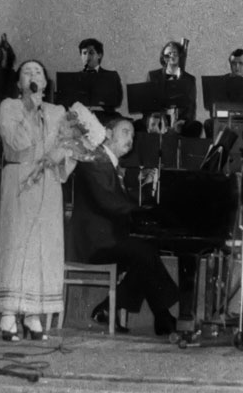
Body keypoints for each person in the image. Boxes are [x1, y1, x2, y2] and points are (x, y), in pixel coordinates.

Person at [66, 117, 179, 335]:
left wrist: (147, 201)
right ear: (108, 133)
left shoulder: (111, 164)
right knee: (144, 253)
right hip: (93, 243)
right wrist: (144, 211)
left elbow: (119, 202)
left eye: (133, 135)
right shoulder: (94, 160)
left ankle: (116, 309)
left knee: (145, 255)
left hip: (109, 239)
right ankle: (160, 316)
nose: (131, 139)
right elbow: (108, 202)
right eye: (125, 132)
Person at [0, 60, 75, 341]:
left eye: (38, 71)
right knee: (17, 243)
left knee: (43, 246)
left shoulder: (57, 111)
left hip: (48, 181)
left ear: (46, 81)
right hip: (20, 178)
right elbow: (16, 142)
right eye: (26, 72)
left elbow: (70, 144)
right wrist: (29, 108)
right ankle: (8, 313)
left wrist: (60, 154)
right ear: (19, 83)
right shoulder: (9, 107)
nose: (33, 75)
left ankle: (33, 314)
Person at [147, 41, 202, 138]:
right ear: (163, 58)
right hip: (158, 118)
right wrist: (156, 118)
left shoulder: (189, 79)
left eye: (175, 53)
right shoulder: (153, 76)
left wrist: (182, 121)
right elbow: (148, 103)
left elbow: (191, 107)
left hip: (179, 121)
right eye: (168, 53)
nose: (172, 56)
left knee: (196, 126)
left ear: (180, 56)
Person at [203, 48, 243, 138]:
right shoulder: (221, 82)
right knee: (209, 123)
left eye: (240, 63)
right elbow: (213, 107)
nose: (237, 67)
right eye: (234, 63)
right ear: (230, 65)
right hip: (225, 119)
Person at [75, 38, 123, 123]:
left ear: (99, 55)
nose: (87, 57)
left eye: (91, 53)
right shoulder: (75, 78)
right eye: (84, 53)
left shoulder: (111, 76)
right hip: (81, 117)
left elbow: (117, 101)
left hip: (104, 117)